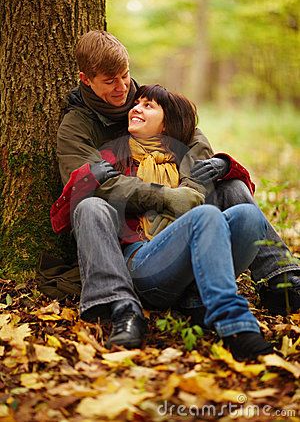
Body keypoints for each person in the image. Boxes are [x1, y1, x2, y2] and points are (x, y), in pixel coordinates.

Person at [53, 29, 299, 318]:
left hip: (185, 210)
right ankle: (146, 296)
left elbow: (193, 137)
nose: (122, 87)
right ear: (86, 79)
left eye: (125, 75)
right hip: (133, 229)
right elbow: (92, 183)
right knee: (93, 205)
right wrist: (164, 197)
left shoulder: (145, 100)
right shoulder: (77, 126)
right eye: (109, 82)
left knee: (231, 185)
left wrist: (190, 189)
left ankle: (282, 278)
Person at [52, 84, 274, 361]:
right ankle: (236, 325)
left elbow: (210, 187)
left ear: (167, 123)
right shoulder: (112, 157)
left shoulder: (187, 159)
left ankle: (198, 301)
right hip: (142, 260)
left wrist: (224, 167)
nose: (136, 108)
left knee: (249, 216)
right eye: (137, 103)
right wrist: (92, 179)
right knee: (205, 216)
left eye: (148, 106)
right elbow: (68, 209)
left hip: (188, 263)